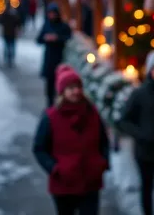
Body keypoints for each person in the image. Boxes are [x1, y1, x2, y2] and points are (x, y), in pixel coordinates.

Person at [32, 67, 109, 215]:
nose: (76, 91)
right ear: (62, 92)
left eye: (78, 87)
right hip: (64, 184)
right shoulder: (51, 117)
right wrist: (54, 168)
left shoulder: (92, 112)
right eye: (71, 88)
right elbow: (39, 148)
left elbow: (103, 141)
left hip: (90, 182)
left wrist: (102, 162)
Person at [117, 51, 154, 215]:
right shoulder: (139, 94)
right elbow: (124, 121)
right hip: (145, 152)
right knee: (147, 188)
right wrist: (141, 134)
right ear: (150, 71)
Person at [37, 3, 72, 106]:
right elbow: (38, 39)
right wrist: (46, 38)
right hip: (49, 59)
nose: (51, 16)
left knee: (60, 84)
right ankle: (50, 106)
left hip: (60, 58)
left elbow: (69, 38)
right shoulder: (46, 25)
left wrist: (57, 38)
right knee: (49, 86)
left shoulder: (63, 26)